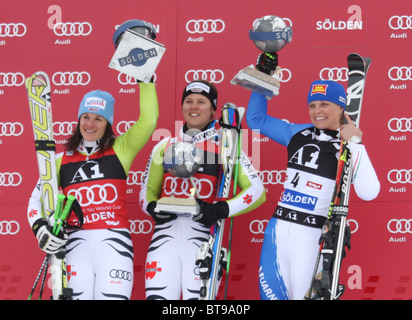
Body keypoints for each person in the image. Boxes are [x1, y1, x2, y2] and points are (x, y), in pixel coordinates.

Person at [245, 55, 380, 300]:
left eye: (324, 104)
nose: (317, 111)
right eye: (312, 105)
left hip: (311, 237)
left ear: (341, 107)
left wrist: (356, 143)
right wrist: (263, 78)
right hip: (277, 231)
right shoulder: (296, 132)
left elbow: (370, 192)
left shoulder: (348, 144)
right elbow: (255, 120)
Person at [27, 82, 159, 300]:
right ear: (79, 119)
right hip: (76, 246)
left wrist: (145, 81)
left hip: (114, 245)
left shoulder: (121, 149)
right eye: (85, 117)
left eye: (98, 118)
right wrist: (40, 227)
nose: (90, 124)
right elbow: (35, 200)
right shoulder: (60, 161)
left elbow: (149, 121)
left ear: (108, 123)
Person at [139, 80, 265, 300]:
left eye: (201, 102)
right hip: (163, 241)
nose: (193, 107)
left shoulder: (226, 145)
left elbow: (257, 192)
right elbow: (148, 190)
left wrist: (219, 210)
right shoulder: (164, 144)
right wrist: (151, 207)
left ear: (213, 109)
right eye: (188, 101)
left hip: (202, 242)